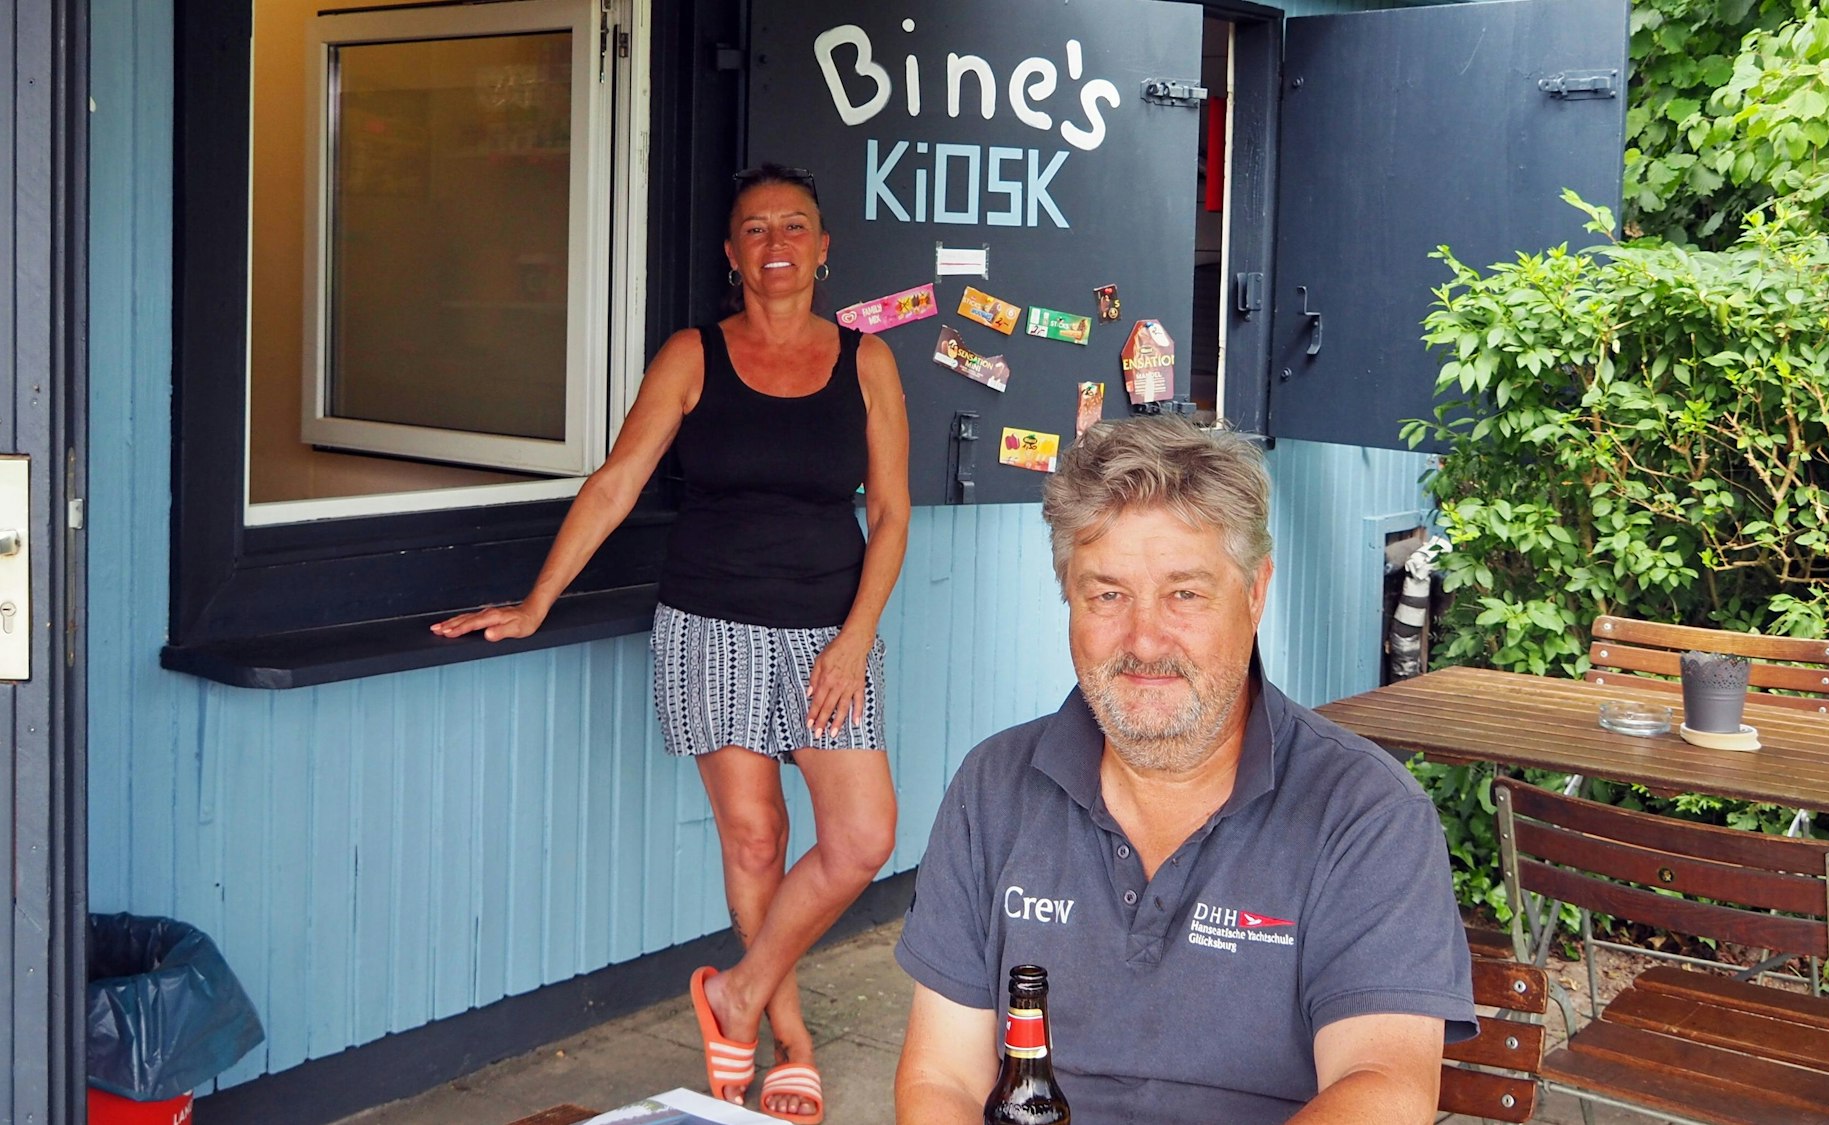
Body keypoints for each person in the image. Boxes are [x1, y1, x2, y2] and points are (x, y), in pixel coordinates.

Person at [434, 163, 910, 1125]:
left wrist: (857, 637)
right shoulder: (693, 354)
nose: (776, 244)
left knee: (861, 839)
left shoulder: (867, 360)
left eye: (795, 226)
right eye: (755, 229)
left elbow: (893, 513)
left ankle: (732, 993)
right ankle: (790, 1039)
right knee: (756, 836)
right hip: (711, 621)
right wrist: (536, 601)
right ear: (731, 255)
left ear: (824, 248)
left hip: (830, 629)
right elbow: (617, 479)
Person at [891, 417, 1474, 1124]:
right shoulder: (994, 788)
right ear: (1068, 598)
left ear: (1255, 593)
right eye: (1106, 593)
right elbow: (942, 1077)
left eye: (1184, 593)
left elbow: (1383, 1084)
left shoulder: (1365, 812)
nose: (1143, 639)